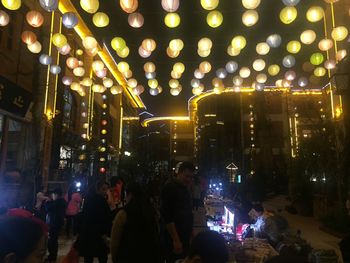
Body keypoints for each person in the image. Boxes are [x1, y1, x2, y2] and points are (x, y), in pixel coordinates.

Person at [110, 182, 161, 263]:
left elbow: (115, 241)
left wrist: (114, 258)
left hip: (128, 257)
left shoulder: (124, 213)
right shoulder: (150, 210)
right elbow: (157, 232)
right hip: (149, 256)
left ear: (129, 194)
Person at [160, 162, 195, 263]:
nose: (189, 180)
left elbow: (188, 213)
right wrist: (176, 240)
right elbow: (167, 216)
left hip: (184, 236)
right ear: (179, 173)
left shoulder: (185, 189)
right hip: (173, 238)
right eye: (187, 176)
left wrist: (191, 234)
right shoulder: (170, 188)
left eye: (191, 177)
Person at [77, 180, 112, 263]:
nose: (105, 192)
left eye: (106, 189)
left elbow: (84, 215)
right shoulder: (102, 201)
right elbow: (106, 218)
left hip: (88, 233)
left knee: (88, 257)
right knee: (102, 257)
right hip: (99, 234)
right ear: (98, 189)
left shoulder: (88, 199)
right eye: (103, 189)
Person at [44, 188, 67, 262]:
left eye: (53, 194)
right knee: (54, 240)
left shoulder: (58, 202)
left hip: (54, 223)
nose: (52, 196)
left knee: (52, 240)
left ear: (56, 194)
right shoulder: (62, 202)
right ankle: (53, 255)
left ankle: (52, 256)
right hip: (57, 222)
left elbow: (48, 208)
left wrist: (47, 202)